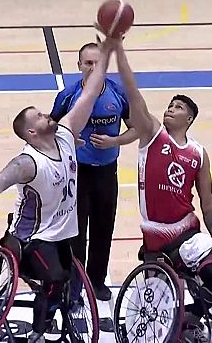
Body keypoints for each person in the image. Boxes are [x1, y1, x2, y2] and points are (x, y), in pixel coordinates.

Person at [0, 39, 113, 342]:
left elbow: (90, 93)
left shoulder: (65, 136)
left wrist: (109, 51)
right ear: (31, 132)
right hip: (30, 240)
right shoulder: (28, 162)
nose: (47, 116)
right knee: (55, 279)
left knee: (69, 285)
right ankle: (38, 334)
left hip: (62, 233)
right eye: (39, 117)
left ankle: (54, 312)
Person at [101, 36, 212, 342]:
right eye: (169, 105)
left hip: (188, 231)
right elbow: (133, 92)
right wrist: (118, 50)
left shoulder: (198, 153)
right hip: (157, 232)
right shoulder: (152, 134)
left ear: (188, 118)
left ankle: (192, 316)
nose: (170, 109)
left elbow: (209, 203)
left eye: (177, 107)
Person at [50, 42, 137, 301]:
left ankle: (97, 281)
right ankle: (74, 286)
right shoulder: (67, 96)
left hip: (107, 172)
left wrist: (114, 141)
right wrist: (68, 140)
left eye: (97, 63)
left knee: (103, 229)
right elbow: (51, 129)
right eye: (88, 63)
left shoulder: (118, 94)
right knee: (75, 233)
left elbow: (137, 129)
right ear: (79, 66)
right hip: (78, 174)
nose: (92, 68)